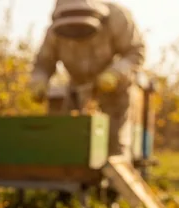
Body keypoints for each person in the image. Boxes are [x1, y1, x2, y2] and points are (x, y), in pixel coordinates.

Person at [29, 0, 145, 160]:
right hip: (76, 89)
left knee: (114, 146)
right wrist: (38, 81)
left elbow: (135, 52)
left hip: (115, 90)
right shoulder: (54, 31)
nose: (76, 32)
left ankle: (115, 172)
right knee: (71, 140)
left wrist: (115, 74)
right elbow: (43, 63)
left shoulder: (117, 18)